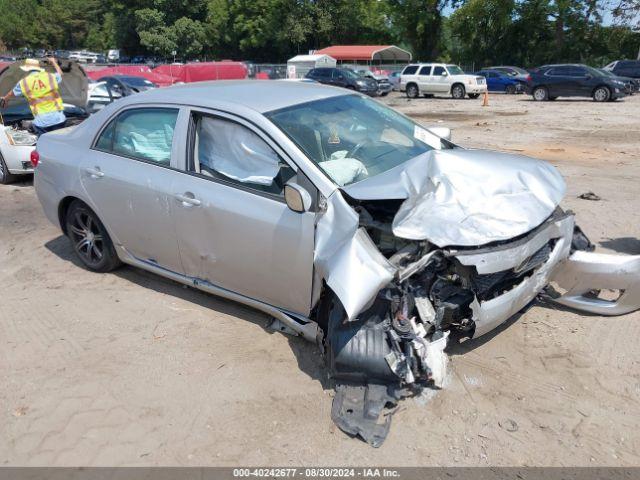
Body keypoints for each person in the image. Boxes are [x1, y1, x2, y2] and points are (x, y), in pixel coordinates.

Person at [0, 57, 66, 135]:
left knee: (43, 144)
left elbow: (11, 94)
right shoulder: (50, 76)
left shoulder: (24, 82)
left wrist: (5, 99)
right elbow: (61, 74)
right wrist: (54, 62)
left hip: (42, 123)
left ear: (27, 69)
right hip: (59, 119)